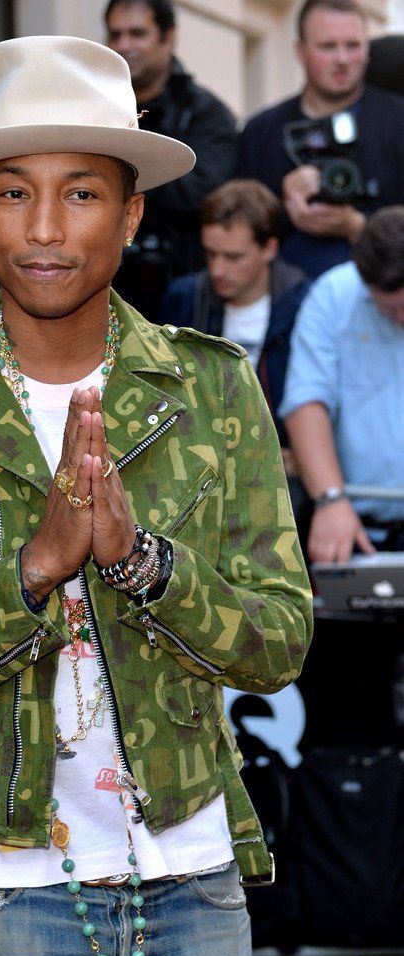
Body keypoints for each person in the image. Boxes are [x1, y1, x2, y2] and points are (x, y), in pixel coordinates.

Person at [0, 36, 312, 956]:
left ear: (130, 213)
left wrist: (142, 563)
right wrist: (30, 575)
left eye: (82, 193)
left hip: (191, 879)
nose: (44, 228)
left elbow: (278, 643)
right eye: (13, 193)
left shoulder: (210, 388)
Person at [238, 0, 404, 280]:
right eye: (328, 46)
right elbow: (237, 231)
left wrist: (358, 225)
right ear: (300, 51)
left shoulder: (398, 122)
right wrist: (280, 206)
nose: (342, 59)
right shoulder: (260, 133)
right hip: (286, 291)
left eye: (353, 45)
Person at [281, 206, 404, 564]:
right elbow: (306, 401)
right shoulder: (334, 294)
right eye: (389, 309)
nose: (401, 317)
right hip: (359, 530)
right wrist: (330, 498)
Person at [104, 0, 238, 317]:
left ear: (169, 37)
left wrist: (119, 177)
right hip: (105, 293)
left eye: (137, 34)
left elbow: (204, 194)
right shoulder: (94, 109)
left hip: (183, 300)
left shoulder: (206, 115)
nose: (124, 45)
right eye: (115, 34)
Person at [160, 179, 309, 445]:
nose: (218, 270)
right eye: (211, 254)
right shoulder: (186, 299)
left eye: (233, 257)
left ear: (269, 248)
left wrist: (300, 453)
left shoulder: (304, 304)